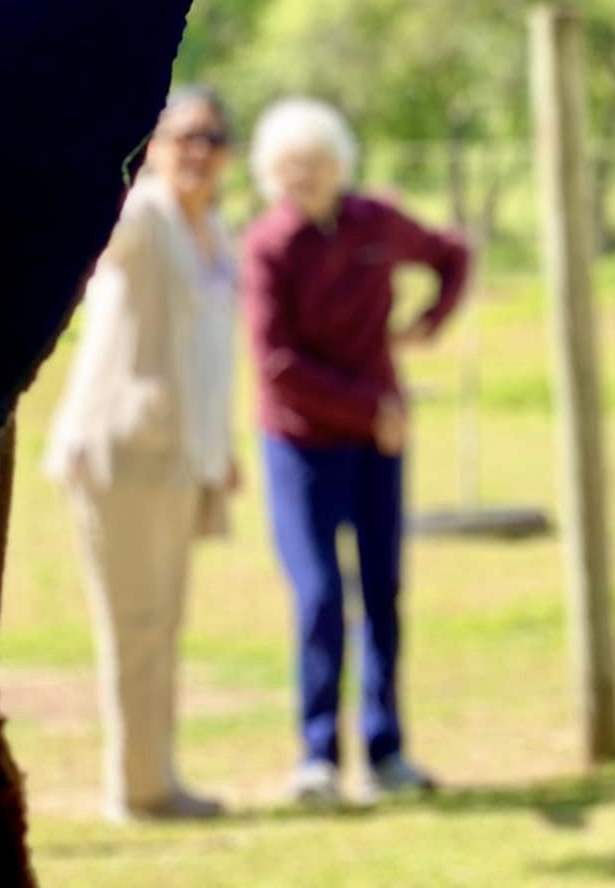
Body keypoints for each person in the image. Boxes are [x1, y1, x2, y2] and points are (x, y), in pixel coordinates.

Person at [241, 97, 470, 806]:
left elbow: (452, 255)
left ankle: (386, 748)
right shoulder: (268, 246)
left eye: (312, 164)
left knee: (383, 593)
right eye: (285, 168)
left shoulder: (375, 222)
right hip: (301, 445)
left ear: (340, 166)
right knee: (317, 596)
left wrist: (425, 326)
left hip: (379, 443)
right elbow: (276, 364)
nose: (299, 178)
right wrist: (373, 407)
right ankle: (317, 756)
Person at [44, 85, 240, 824]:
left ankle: (157, 776)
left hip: (184, 456)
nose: (198, 152)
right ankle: (138, 789)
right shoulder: (143, 217)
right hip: (121, 450)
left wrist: (222, 445)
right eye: (184, 136)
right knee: (134, 625)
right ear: (155, 147)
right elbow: (89, 241)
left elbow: (212, 349)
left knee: (163, 622)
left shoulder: (215, 230)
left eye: (213, 140)